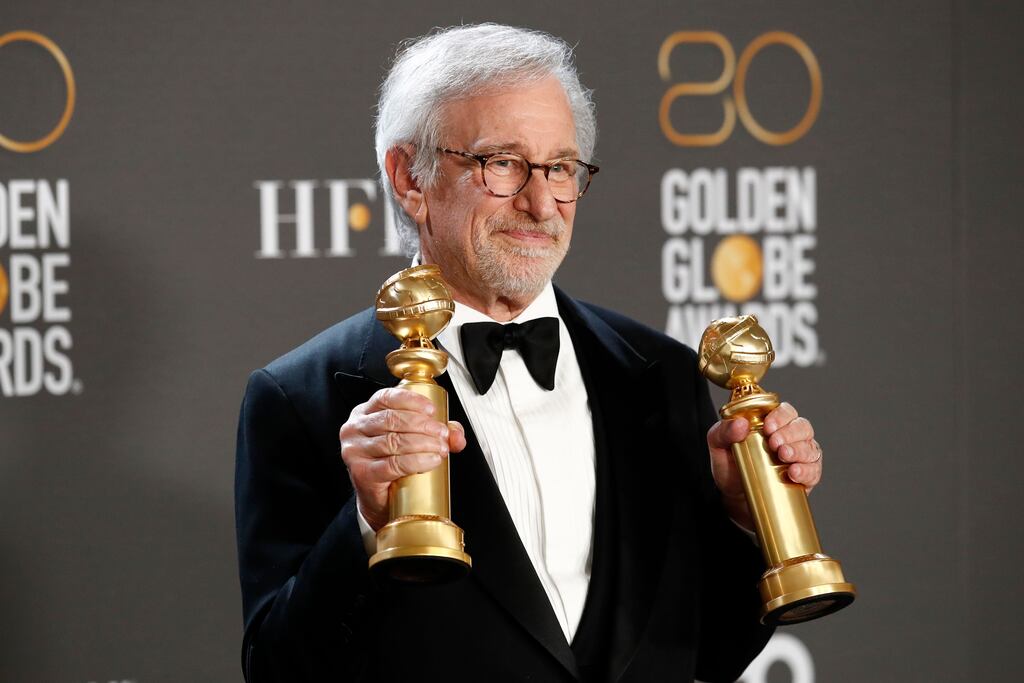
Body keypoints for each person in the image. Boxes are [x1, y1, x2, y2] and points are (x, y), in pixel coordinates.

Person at [235, 23, 825, 683]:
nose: (541, 202)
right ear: (409, 178)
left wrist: (748, 523)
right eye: (502, 163)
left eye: (561, 167)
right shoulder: (301, 398)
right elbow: (277, 668)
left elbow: (710, 651)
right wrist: (367, 524)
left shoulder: (660, 374)